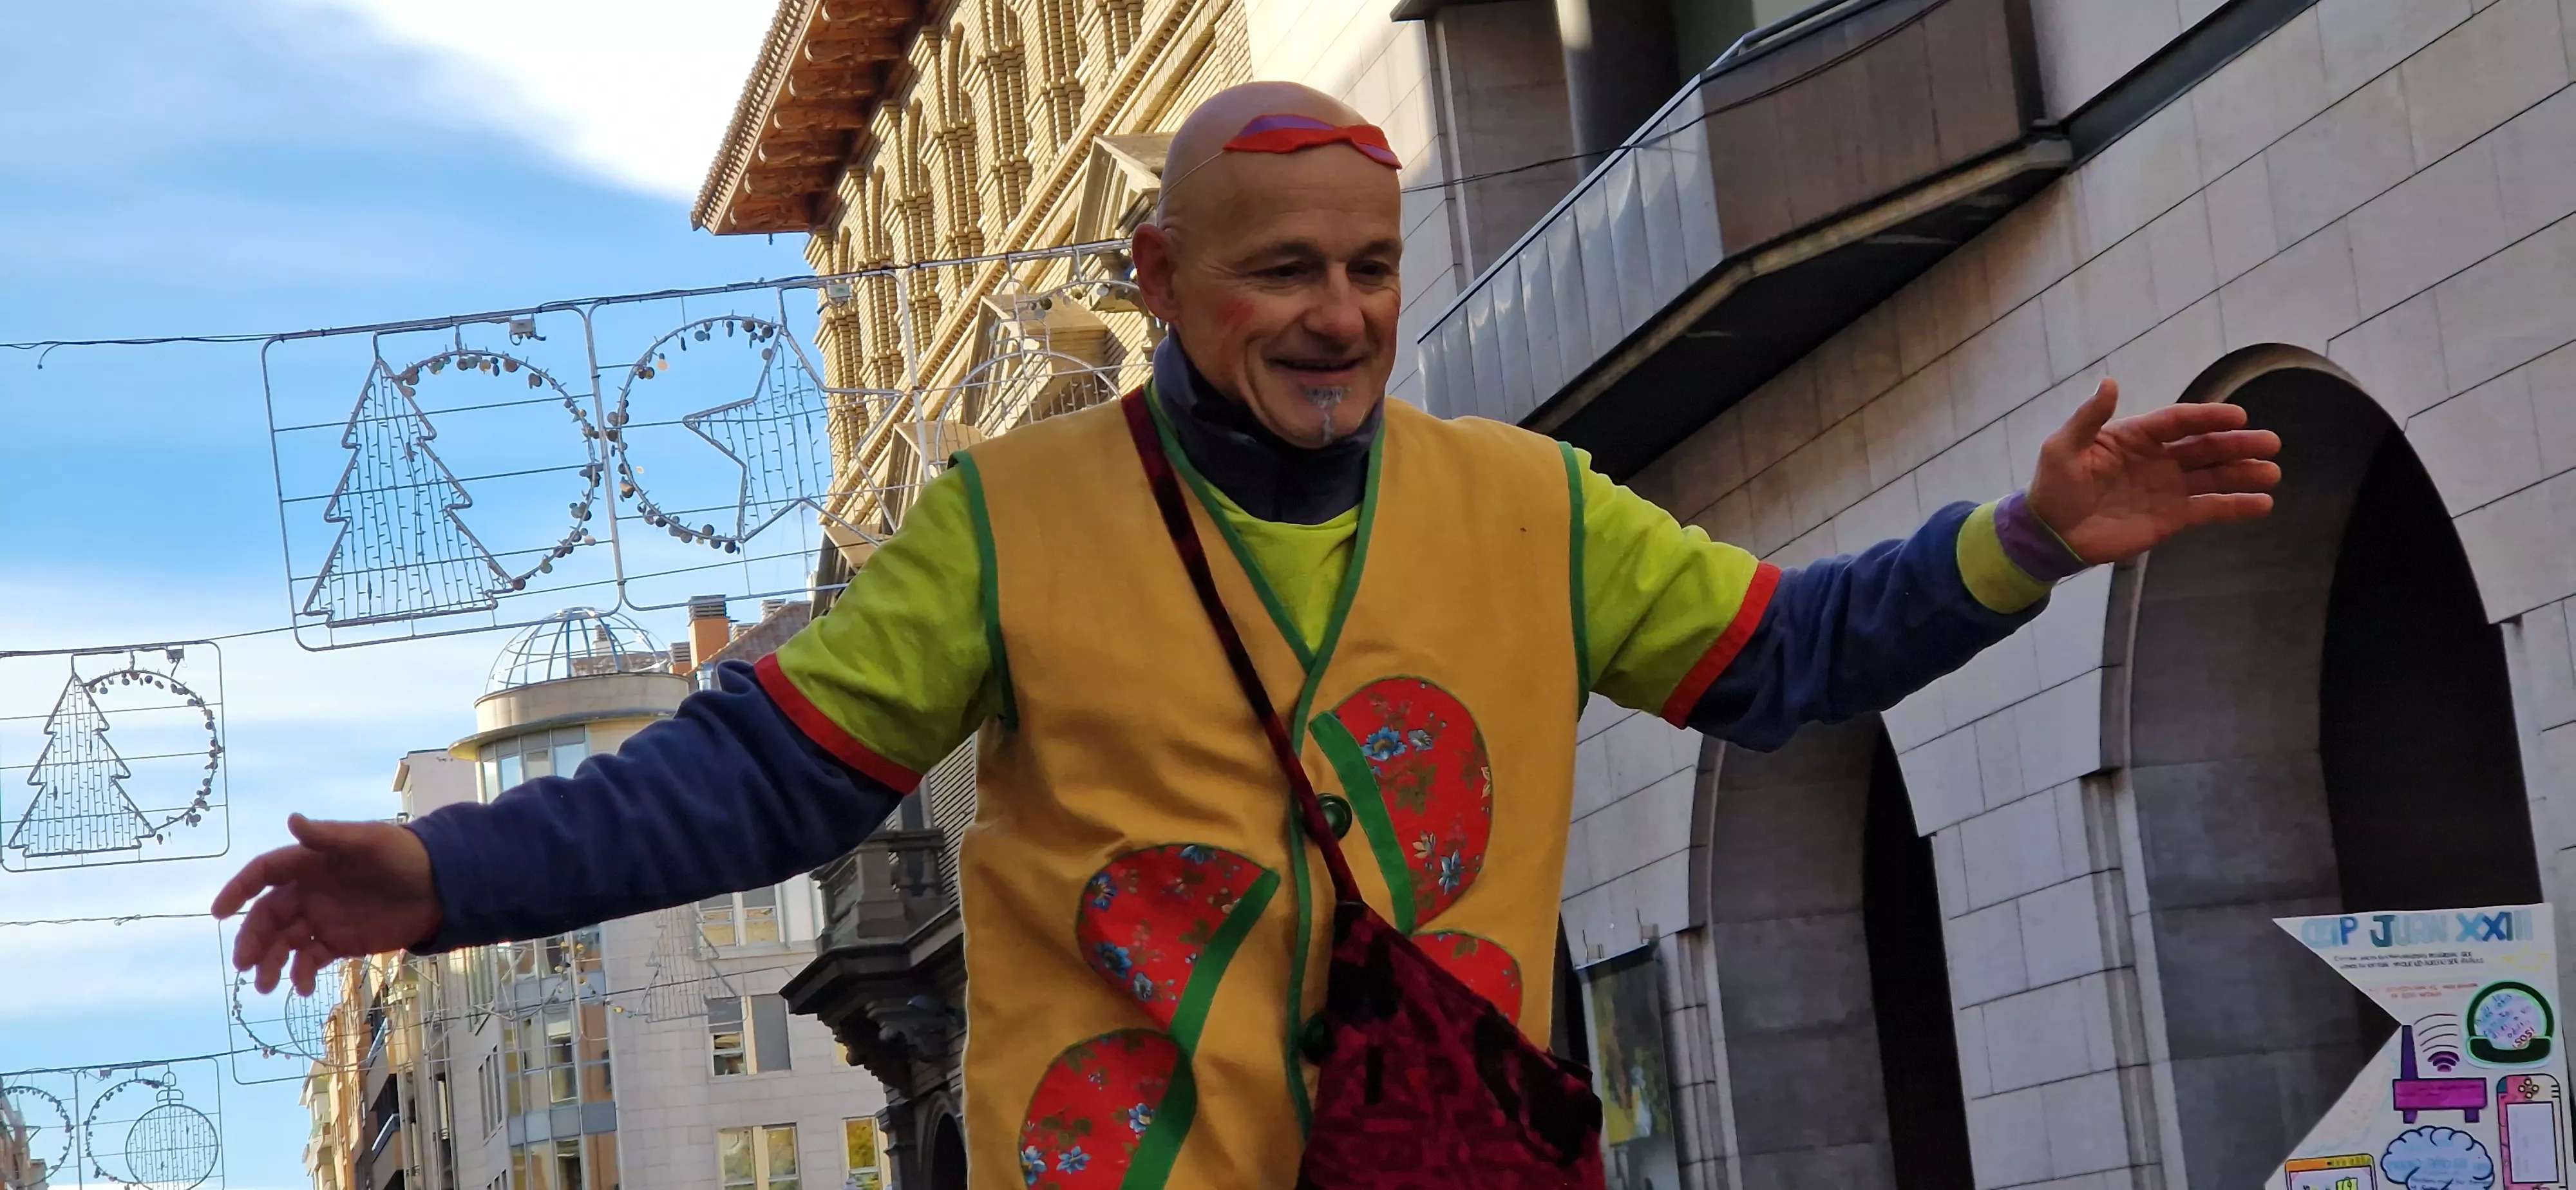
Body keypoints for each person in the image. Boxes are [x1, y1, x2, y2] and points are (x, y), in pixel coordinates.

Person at [215, 81, 2281, 1185]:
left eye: (1371, 267)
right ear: (1161, 278)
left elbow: (1787, 657)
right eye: (1284, 268)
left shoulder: (1532, 505)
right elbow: (763, 775)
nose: (1339, 314)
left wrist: (2025, 536)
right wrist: (450, 873)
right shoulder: (1009, 521)